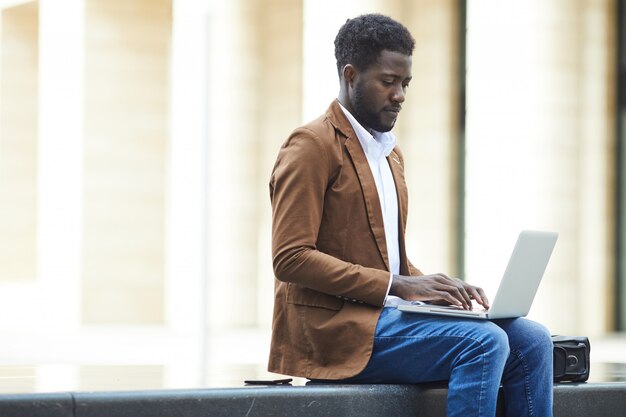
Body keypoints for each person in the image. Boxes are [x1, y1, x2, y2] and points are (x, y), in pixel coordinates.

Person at [268, 13, 553, 417]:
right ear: (351, 75)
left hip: (383, 320)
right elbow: (290, 258)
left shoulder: (389, 154)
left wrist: (436, 291)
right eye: (388, 81)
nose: (400, 94)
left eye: (405, 84)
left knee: (534, 340)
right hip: (335, 333)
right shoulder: (310, 146)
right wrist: (400, 285)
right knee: (483, 342)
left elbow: (388, 265)